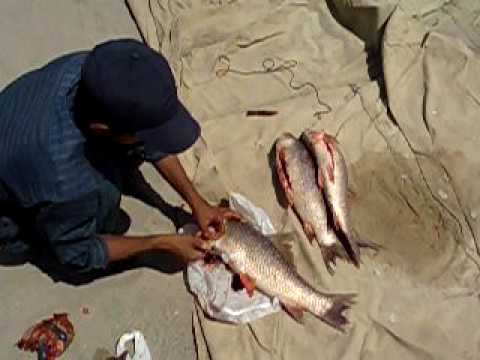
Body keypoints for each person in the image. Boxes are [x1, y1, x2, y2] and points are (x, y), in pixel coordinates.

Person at [0, 38, 237, 274]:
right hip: (10, 214)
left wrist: (197, 202)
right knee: (97, 204)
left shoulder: (93, 69)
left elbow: (148, 137)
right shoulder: (68, 182)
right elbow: (78, 253)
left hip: (20, 130)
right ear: (102, 129)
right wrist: (161, 242)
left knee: (127, 147)